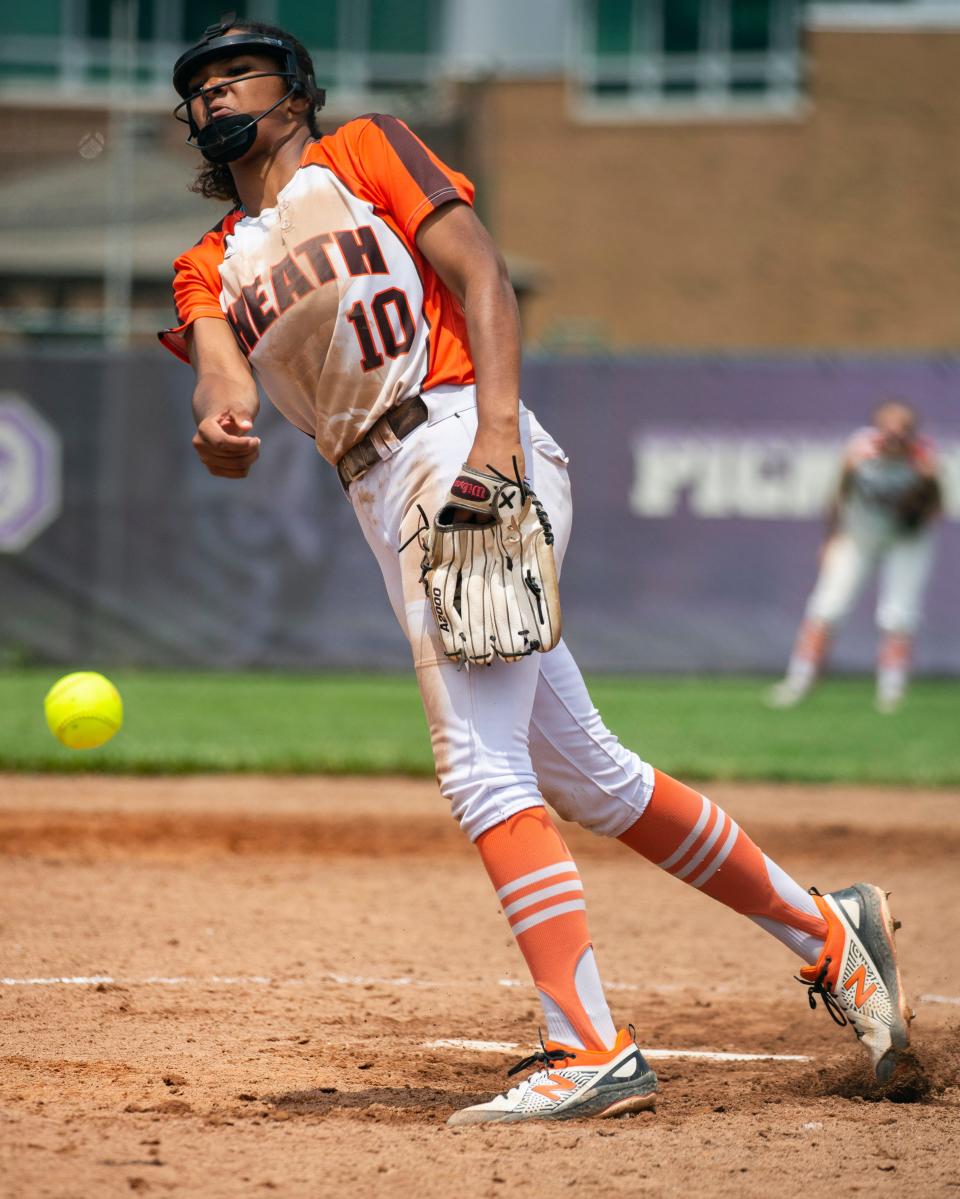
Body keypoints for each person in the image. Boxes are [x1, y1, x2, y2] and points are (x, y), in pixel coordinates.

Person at [159, 18, 912, 1124]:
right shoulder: (209, 259)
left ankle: (588, 1044)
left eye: (239, 71)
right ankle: (826, 931)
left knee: (477, 765)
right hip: (376, 485)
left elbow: (481, 271)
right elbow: (216, 361)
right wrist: (220, 420)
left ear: (294, 87)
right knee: (591, 773)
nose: (217, 91)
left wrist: (497, 439)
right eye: (200, 84)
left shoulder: (365, 150)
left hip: (456, 440)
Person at [768, 401, 942, 714]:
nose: (894, 436)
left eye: (902, 429)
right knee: (826, 606)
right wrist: (831, 537)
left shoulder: (923, 458)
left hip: (906, 540)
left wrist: (925, 487)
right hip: (858, 536)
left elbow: (934, 507)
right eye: (889, 428)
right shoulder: (860, 452)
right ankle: (800, 680)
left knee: (898, 613)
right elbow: (838, 495)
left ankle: (892, 689)